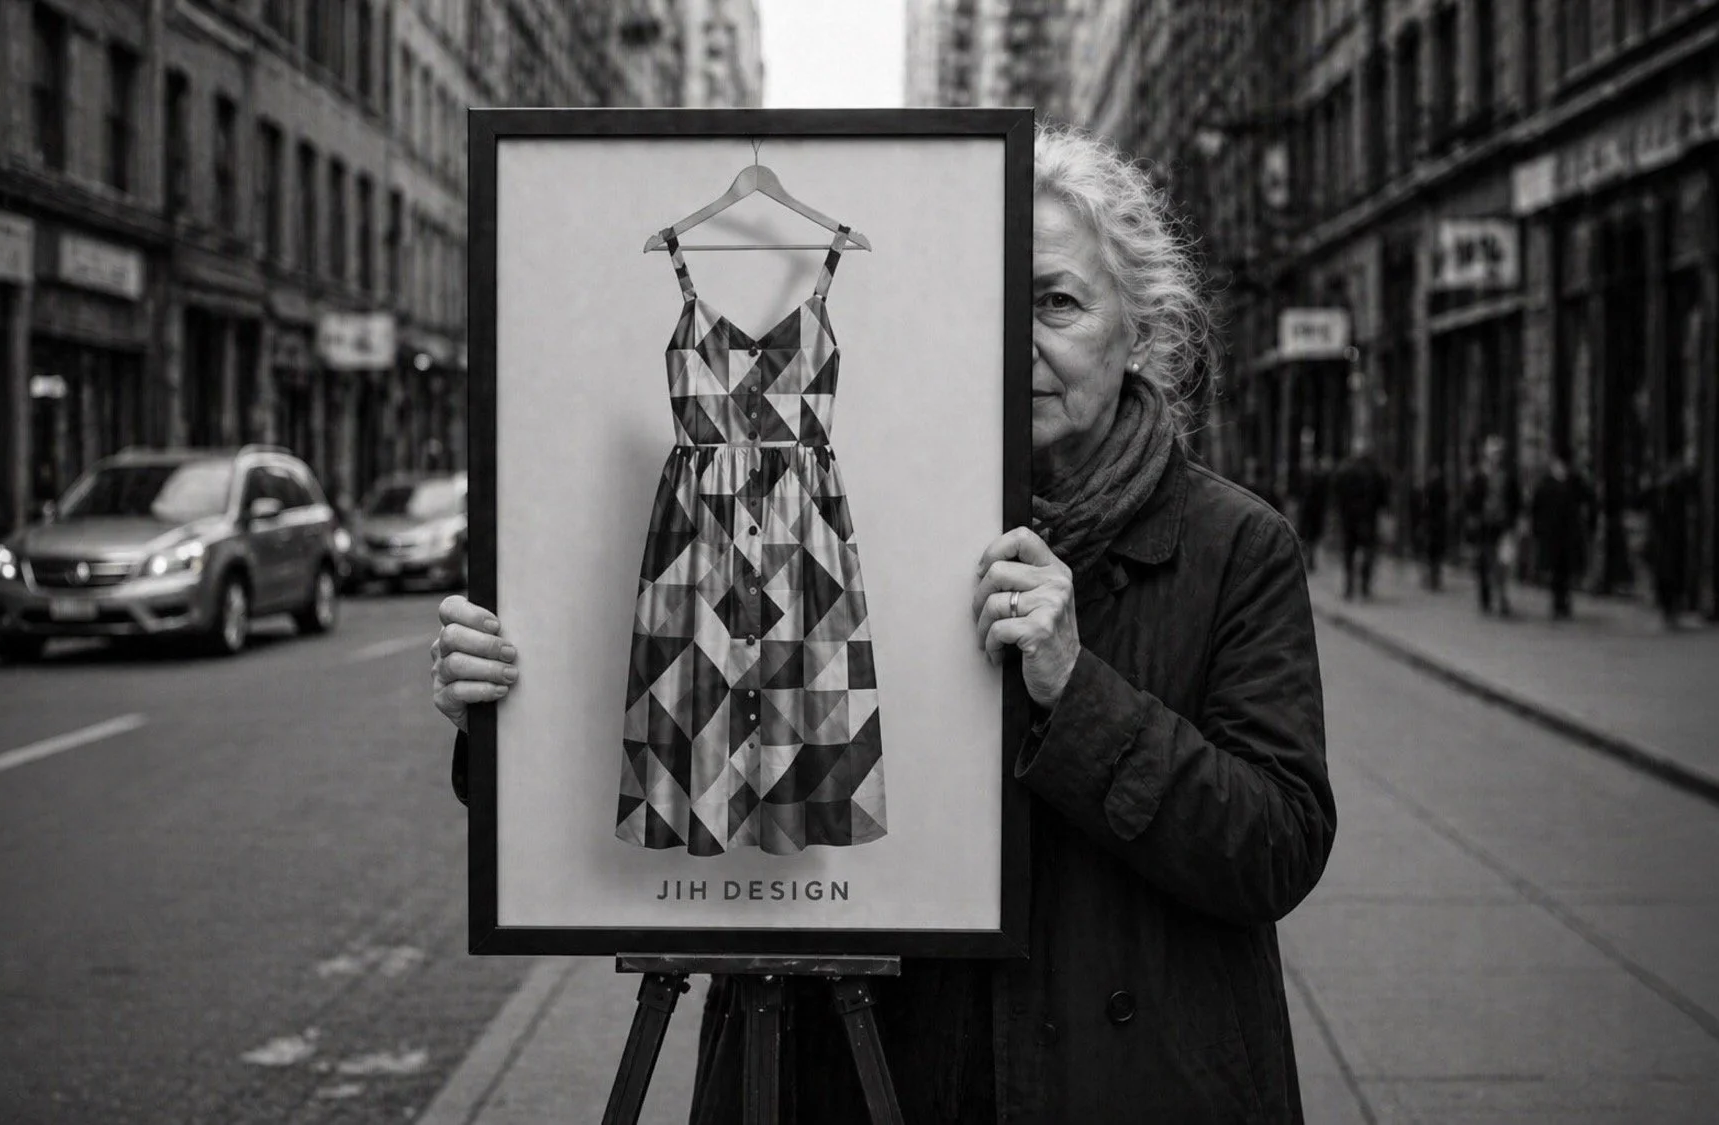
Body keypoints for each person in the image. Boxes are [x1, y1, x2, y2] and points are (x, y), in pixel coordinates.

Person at [430, 124, 1336, 1122]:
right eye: (991, 304)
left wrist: (1076, 689)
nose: (1017, 342)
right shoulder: (889, 504)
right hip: (842, 1068)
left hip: (1117, 1081)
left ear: (1141, 328)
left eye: (1058, 303)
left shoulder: (1229, 546)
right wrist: (503, 708)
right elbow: (643, 770)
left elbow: (1275, 846)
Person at [1464, 435, 1522, 616]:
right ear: (1487, 455)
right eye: (1494, 453)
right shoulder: (1479, 476)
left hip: (1502, 527)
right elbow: (1471, 501)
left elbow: (1515, 500)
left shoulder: (1507, 477)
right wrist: (1473, 518)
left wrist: (1515, 522)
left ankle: (1502, 598)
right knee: (1485, 563)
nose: (1497, 457)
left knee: (1503, 564)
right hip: (1485, 526)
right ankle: (1487, 597)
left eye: (1499, 453)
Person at [1530, 454, 1593, 620]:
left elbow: (1588, 498)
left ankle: (1564, 602)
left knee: (1565, 570)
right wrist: (1537, 530)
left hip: (1568, 535)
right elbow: (1536, 509)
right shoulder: (1545, 485)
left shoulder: (1573, 483)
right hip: (1552, 536)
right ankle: (1558, 602)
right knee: (1556, 571)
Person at [1330, 436, 1389, 600]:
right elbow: (1383, 497)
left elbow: (1336, 495)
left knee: (1349, 551)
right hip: (1368, 518)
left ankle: (1349, 586)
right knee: (1368, 551)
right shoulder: (1375, 471)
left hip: (1349, 518)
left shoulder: (1345, 470)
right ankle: (1364, 585)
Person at [1647, 451, 1695, 628]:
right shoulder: (1667, 491)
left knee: (1671, 576)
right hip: (1668, 542)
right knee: (1670, 577)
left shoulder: (1670, 490)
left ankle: (1670, 611)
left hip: (1670, 541)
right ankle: (1670, 611)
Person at [1293, 438, 1328, 574]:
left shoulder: (1319, 476)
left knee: (1312, 536)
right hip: (1305, 511)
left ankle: (1310, 559)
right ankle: (1307, 559)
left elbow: (1323, 494)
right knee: (1305, 535)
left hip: (1314, 511)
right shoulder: (1301, 474)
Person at [1418, 464, 1450, 591]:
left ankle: (1432, 578)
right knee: (1436, 554)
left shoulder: (1429, 489)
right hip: (1438, 525)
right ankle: (1434, 578)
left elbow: (1425, 508)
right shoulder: (1441, 489)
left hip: (1432, 525)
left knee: (1431, 553)